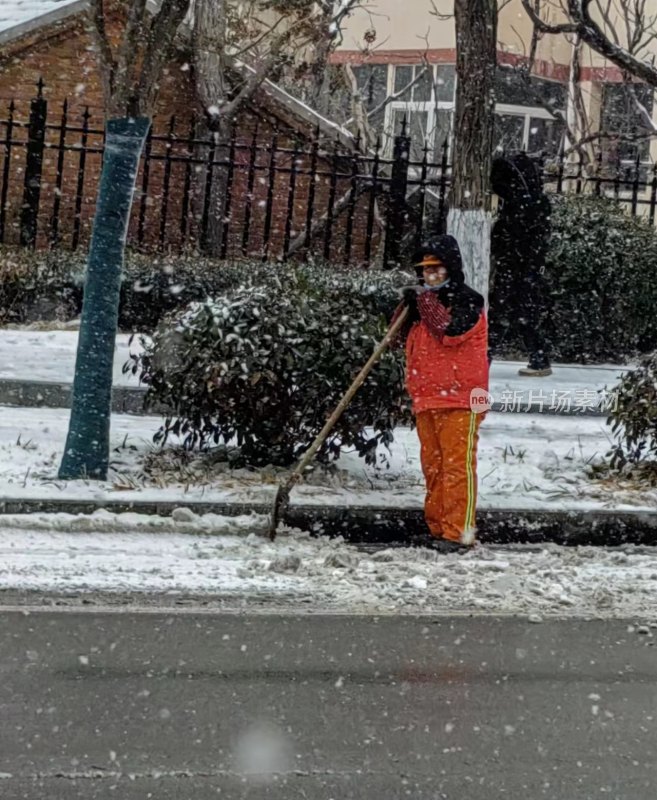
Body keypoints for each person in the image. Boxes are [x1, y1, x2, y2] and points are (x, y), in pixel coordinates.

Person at [392, 235, 489, 553]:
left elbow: (450, 332)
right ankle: (439, 528)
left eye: (436, 268)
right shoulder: (424, 305)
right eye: (425, 270)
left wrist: (424, 303)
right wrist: (407, 307)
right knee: (433, 466)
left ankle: (459, 533)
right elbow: (395, 337)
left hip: (461, 398)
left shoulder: (467, 300)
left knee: (457, 466)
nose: (430, 275)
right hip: (428, 397)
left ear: (450, 268)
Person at [490, 152, 553, 377]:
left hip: (517, 267)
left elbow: (510, 237)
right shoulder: (531, 204)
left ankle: (483, 358)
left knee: (503, 312)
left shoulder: (522, 207)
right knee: (521, 314)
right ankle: (539, 358)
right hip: (523, 269)